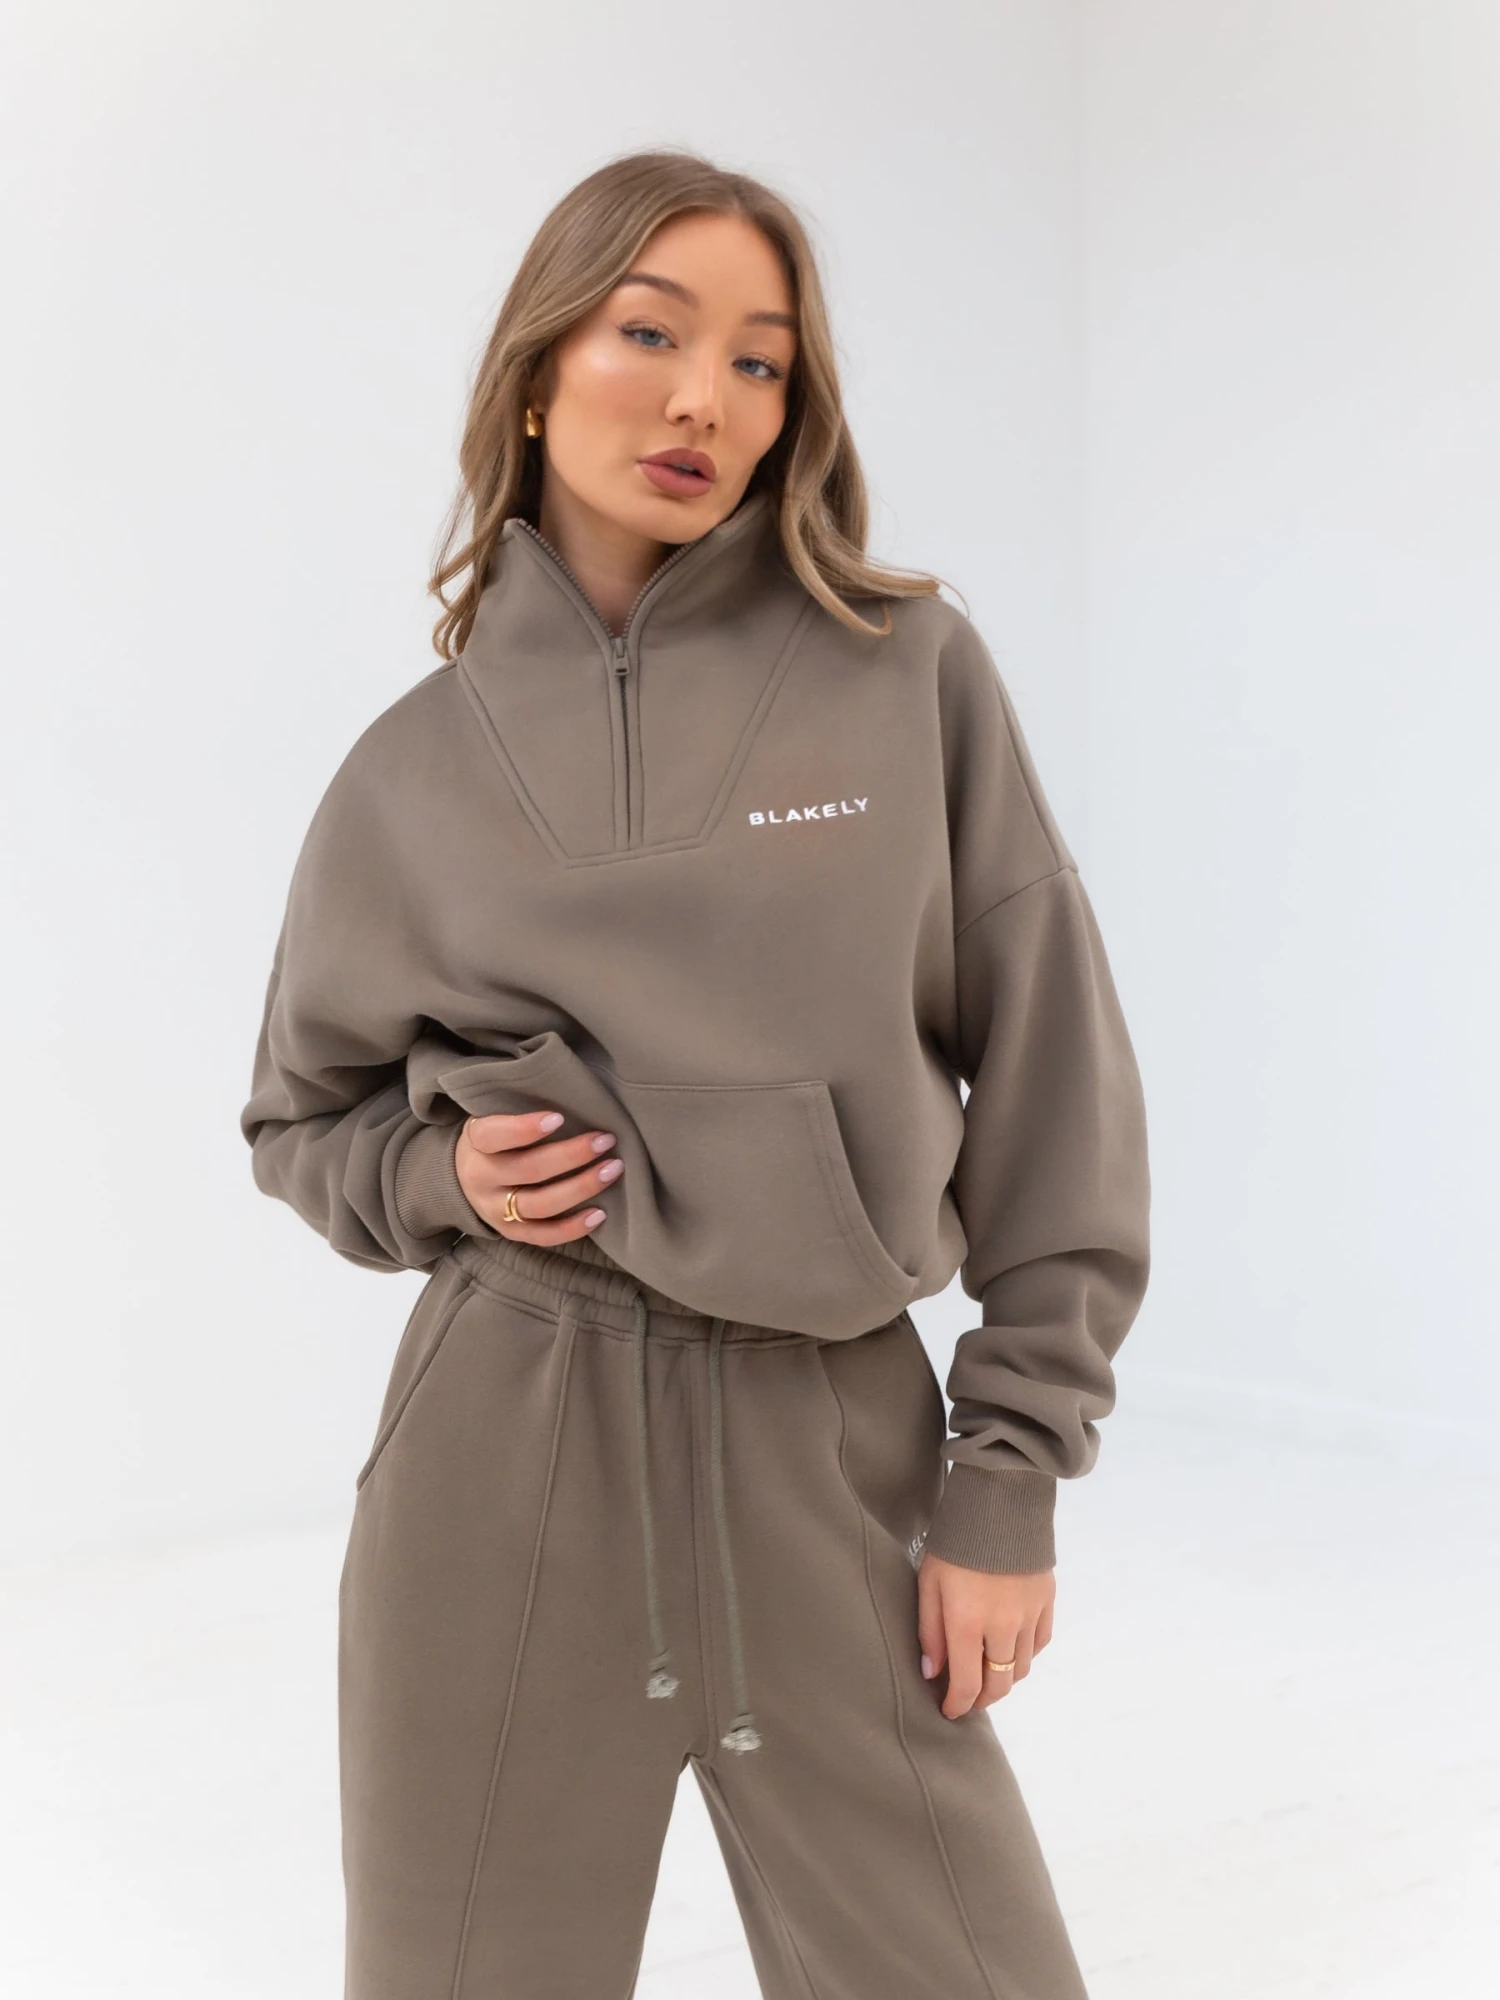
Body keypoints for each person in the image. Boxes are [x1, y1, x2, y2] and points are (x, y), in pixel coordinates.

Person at [240, 147, 1151, 2000]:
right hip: (503, 1455)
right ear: (536, 371)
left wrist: (1007, 1481)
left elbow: (1060, 1083)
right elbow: (300, 1118)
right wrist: (438, 1179)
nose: (702, 402)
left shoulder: (907, 676)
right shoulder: (411, 769)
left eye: (759, 363)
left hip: (829, 1440)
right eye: (650, 334)